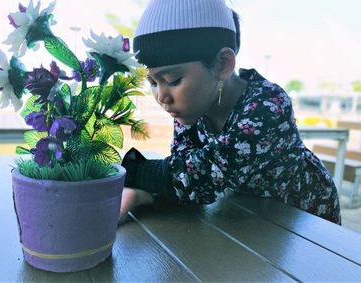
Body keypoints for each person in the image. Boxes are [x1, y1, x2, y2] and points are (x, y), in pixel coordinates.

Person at [120, 0, 341, 224]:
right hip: (248, 216)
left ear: (223, 64)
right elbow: (185, 170)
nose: (161, 97)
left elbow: (203, 175)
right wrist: (140, 195)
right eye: (153, 83)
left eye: (173, 80)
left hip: (306, 221)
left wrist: (127, 172)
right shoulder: (192, 109)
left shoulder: (267, 105)